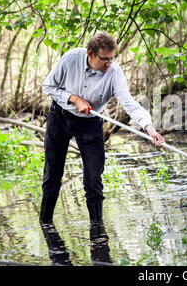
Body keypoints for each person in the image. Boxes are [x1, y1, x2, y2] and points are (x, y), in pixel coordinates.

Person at [40, 31, 165, 224]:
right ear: (90, 54)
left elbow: (130, 104)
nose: (109, 64)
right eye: (105, 59)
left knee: (93, 180)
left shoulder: (114, 73)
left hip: (90, 124)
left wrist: (150, 129)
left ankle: (97, 234)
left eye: (112, 59)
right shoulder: (71, 58)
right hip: (60, 117)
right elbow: (48, 86)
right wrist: (73, 99)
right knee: (52, 176)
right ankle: (45, 223)